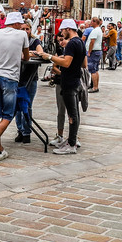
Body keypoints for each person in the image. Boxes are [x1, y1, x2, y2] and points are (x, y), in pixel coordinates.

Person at [0, 11, 30, 160]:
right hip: (10, 78)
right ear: (16, 24)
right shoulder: (22, 35)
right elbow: (27, 57)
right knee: (8, 114)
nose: (22, 26)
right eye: (21, 24)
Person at [43, 19, 86, 154]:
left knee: (72, 115)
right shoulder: (80, 41)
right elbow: (84, 64)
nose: (61, 33)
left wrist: (49, 56)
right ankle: (71, 140)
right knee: (74, 113)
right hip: (76, 81)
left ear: (68, 28)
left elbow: (66, 63)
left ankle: (71, 144)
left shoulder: (72, 43)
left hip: (68, 82)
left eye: (62, 30)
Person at [86, 17, 103, 92]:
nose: (90, 23)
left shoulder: (95, 31)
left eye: (91, 21)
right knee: (95, 70)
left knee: (92, 70)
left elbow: (92, 42)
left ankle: (95, 87)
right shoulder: (98, 30)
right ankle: (94, 85)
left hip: (93, 51)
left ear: (95, 22)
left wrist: (89, 51)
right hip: (97, 51)